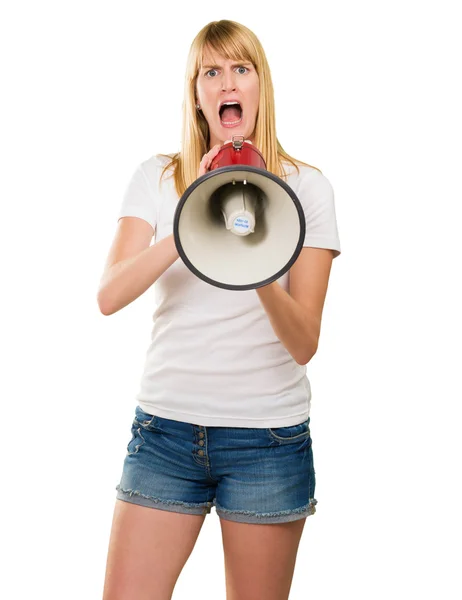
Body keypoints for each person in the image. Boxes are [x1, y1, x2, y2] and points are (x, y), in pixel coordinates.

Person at [98, 19, 341, 600]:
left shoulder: (306, 187)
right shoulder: (157, 177)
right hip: (165, 432)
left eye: (240, 68)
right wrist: (188, 226)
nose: (226, 80)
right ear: (198, 94)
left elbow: (305, 340)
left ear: (260, 85)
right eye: (211, 71)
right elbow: (109, 296)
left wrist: (256, 266)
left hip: (267, 440)